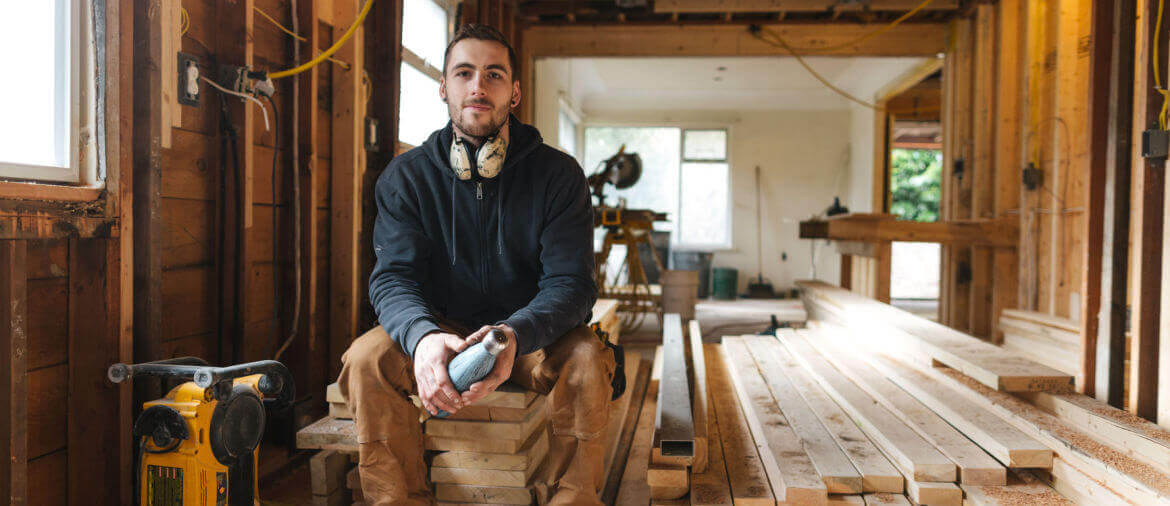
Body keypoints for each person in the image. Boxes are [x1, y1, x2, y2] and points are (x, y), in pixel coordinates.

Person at [337, 23, 616, 506]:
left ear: (515, 92)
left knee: (589, 359)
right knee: (366, 360)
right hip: (440, 329)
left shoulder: (559, 175)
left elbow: (572, 284)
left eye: (493, 74)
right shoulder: (406, 178)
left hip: (531, 337)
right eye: (464, 73)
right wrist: (422, 338)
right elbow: (393, 278)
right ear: (444, 88)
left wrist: (512, 335)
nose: (478, 86)